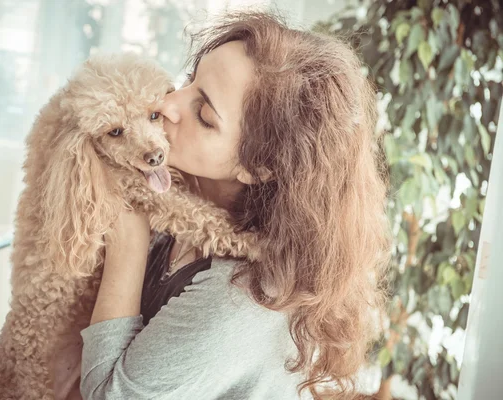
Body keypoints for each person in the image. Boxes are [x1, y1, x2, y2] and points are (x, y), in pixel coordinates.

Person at [80, 9, 392, 400]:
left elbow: (107, 394)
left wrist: (127, 229)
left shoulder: (241, 298)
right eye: (189, 82)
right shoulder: (179, 200)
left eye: (205, 115)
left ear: (257, 166)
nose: (168, 104)